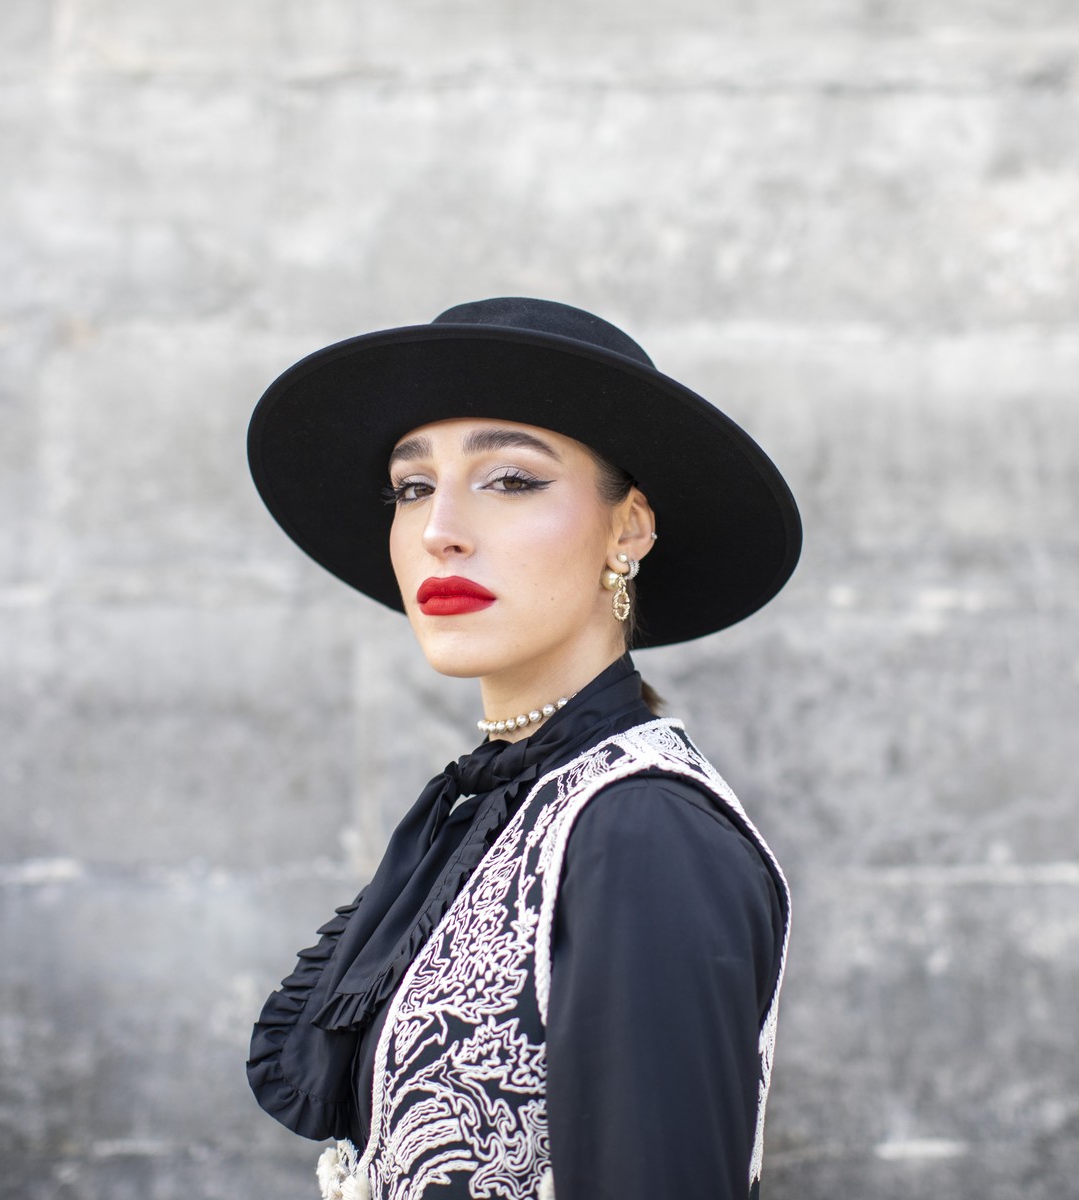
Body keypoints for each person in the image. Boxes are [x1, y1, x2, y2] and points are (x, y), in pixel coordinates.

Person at [244, 297, 802, 1200]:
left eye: (509, 480)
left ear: (628, 528)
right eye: (412, 487)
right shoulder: (508, 810)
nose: (440, 529)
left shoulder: (640, 831)